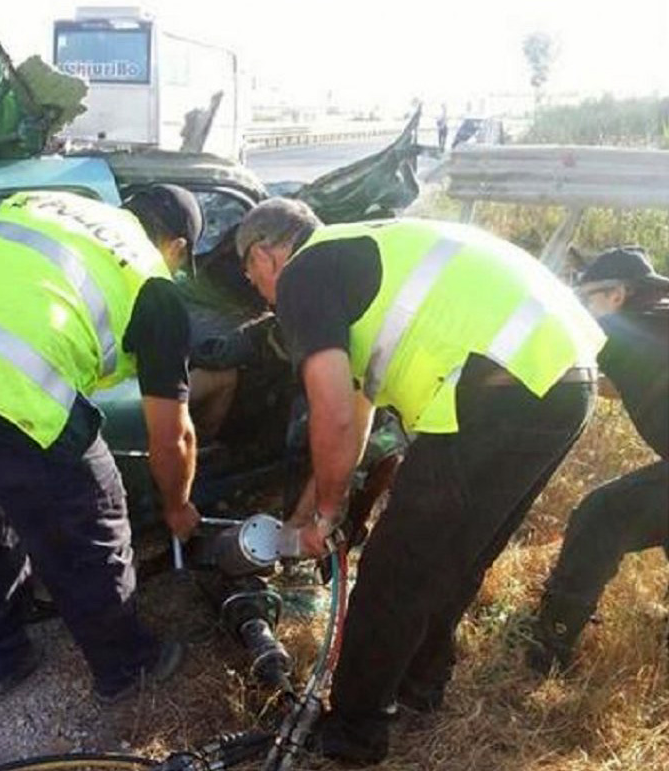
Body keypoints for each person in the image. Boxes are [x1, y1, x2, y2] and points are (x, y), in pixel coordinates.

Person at [235, 199, 605, 764]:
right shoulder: (362, 251)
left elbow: (331, 412)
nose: (256, 286)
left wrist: (331, 516)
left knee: (393, 571)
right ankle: (419, 685)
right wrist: (313, 511)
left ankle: (354, 733)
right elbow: (355, 419)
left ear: (267, 253)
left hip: (497, 385)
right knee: (457, 552)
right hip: (563, 376)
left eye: (249, 271)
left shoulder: (303, 275)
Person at [0, 184, 204, 702]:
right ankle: (128, 665)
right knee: (93, 513)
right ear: (176, 246)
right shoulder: (153, 283)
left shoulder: (41, 202)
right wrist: (178, 506)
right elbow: (172, 435)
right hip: (7, 390)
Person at [526, 246, 669, 673]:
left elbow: (555, 360)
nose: (583, 312)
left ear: (617, 295)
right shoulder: (654, 325)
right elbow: (616, 381)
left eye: (587, 299)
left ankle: (549, 646)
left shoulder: (626, 327)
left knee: (603, 515)